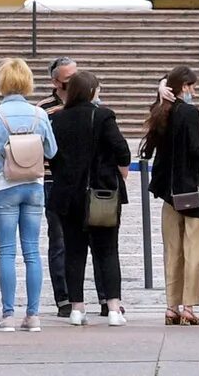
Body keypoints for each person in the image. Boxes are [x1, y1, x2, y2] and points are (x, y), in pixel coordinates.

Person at [0, 58, 58, 332]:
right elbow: (52, 151)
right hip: (33, 184)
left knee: (7, 251)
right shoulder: (39, 114)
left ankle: (7, 315)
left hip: (4, 185)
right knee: (32, 251)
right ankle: (33, 315)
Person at [46, 67, 135, 326]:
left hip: (67, 195)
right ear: (93, 91)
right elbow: (123, 152)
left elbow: (51, 156)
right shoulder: (104, 116)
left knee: (73, 252)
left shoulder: (58, 119)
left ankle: (77, 308)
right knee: (107, 251)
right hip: (101, 195)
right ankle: (114, 309)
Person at [143, 67, 199, 325]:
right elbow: (196, 152)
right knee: (194, 249)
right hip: (193, 190)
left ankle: (171, 306)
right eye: (193, 87)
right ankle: (188, 307)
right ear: (184, 87)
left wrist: (160, 90)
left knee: (172, 249)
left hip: (168, 191)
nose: (194, 92)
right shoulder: (189, 112)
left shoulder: (162, 111)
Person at [39, 55, 78, 309]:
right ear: (55, 82)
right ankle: (63, 297)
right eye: (68, 80)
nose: (74, 83)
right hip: (54, 180)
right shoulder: (43, 108)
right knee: (59, 240)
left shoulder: (90, 103)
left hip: (83, 180)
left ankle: (104, 297)